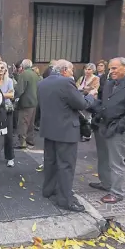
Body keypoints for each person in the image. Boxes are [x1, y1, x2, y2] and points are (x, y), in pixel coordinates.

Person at [38, 59, 92, 212]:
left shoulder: (43, 83)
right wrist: (91, 96)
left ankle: (48, 190)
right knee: (66, 166)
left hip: (49, 129)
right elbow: (81, 104)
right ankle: (65, 199)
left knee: (51, 162)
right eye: (71, 70)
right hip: (66, 130)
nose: (72, 73)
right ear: (63, 70)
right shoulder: (66, 83)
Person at [89, 58, 125, 204]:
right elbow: (104, 104)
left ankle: (117, 192)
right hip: (103, 126)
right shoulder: (108, 84)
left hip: (117, 129)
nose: (111, 71)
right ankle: (106, 183)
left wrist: (118, 127)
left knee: (116, 162)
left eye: (115, 68)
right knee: (103, 158)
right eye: (110, 69)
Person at [15, 59, 39, 149]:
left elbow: (20, 89)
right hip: (34, 102)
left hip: (25, 102)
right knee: (30, 123)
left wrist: (15, 98)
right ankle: (30, 140)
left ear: (23, 65)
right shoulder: (34, 74)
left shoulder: (24, 74)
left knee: (23, 123)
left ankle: (22, 142)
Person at [0, 61, 15, 167]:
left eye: (3, 67)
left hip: (6, 110)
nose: (1, 69)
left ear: (6, 69)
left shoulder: (9, 81)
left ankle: (10, 158)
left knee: (8, 135)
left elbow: (12, 95)